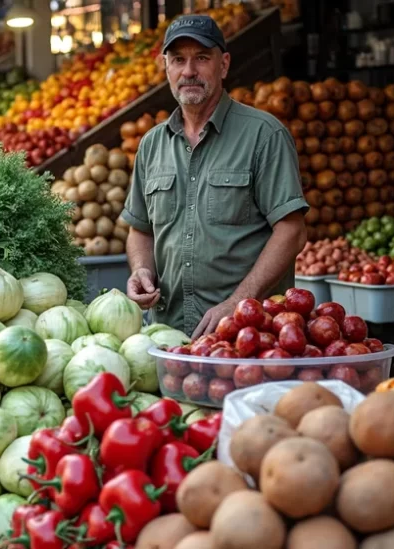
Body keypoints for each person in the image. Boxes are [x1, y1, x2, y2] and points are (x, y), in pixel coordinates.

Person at [121, 14, 308, 341]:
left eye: (201, 58)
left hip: (250, 337)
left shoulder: (264, 135)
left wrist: (237, 304)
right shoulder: (152, 145)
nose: (189, 71)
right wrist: (141, 270)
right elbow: (140, 230)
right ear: (166, 66)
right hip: (169, 335)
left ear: (223, 65)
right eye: (178, 60)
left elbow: (292, 233)